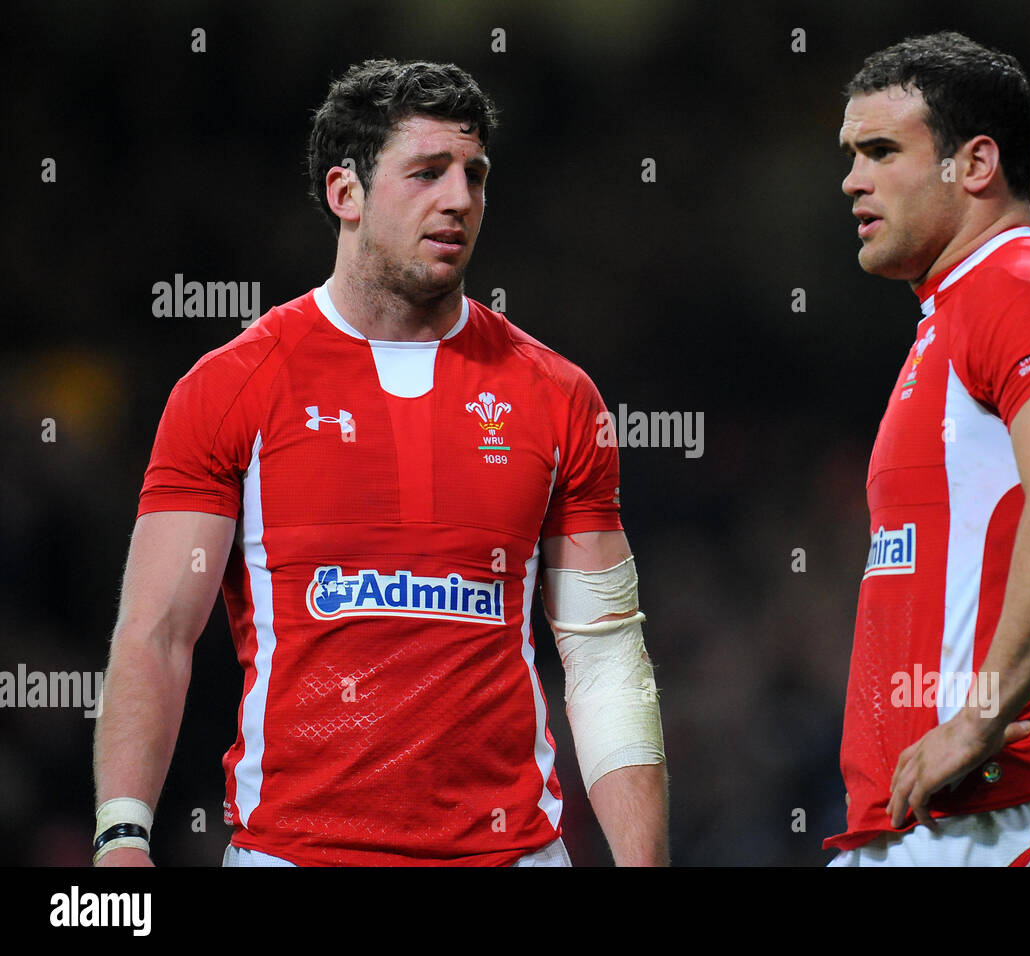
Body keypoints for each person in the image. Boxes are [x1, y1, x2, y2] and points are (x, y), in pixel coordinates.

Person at [92, 59, 668, 867]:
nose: (460, 199)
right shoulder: (230, 389)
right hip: (296, 853)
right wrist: (123, 835)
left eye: (474, 175)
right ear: (345, 194)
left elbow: (605, 655)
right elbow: (156, 635)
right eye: (427, 172)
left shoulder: (559, 397)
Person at [824, 32, 1030, 866]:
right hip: (922, 828)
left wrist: (977, 716)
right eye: (851, 154)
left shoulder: (1027, 286)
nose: (852, 179)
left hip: (1003, 820)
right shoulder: (952, 314)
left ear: (975, 165)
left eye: (882, 150)